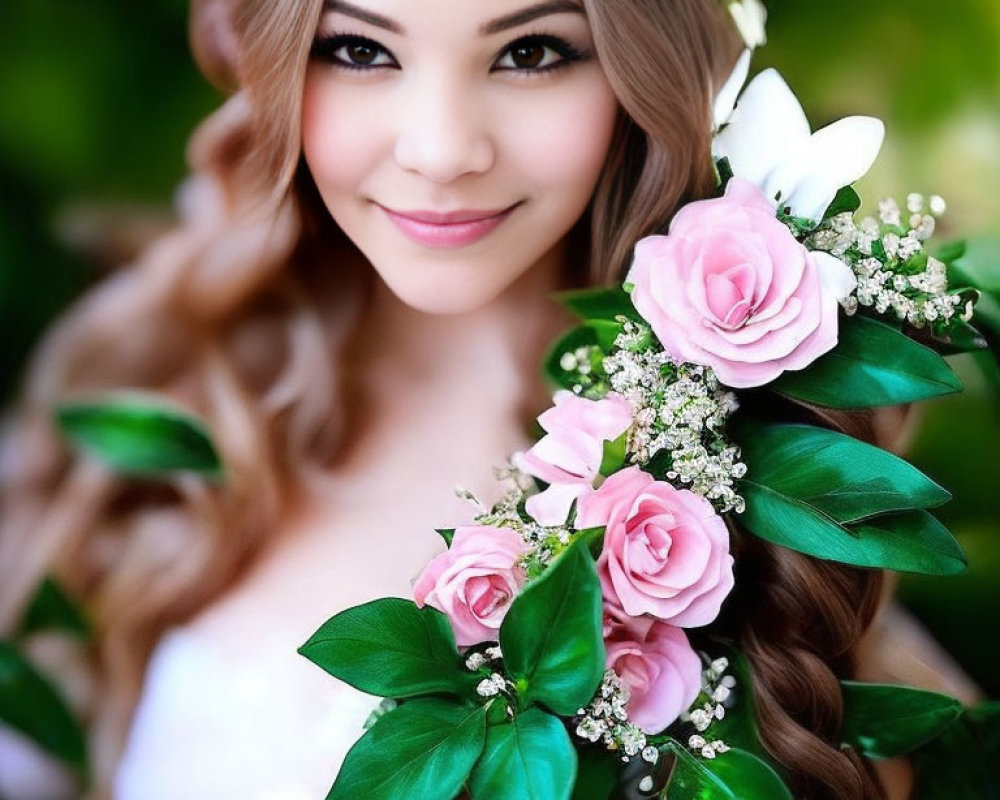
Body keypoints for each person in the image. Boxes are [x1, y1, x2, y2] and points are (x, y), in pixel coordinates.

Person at [0, 0, 983, 798]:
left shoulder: (741, 492)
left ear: (649, 70)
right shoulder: (161, 397)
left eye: (529, 51)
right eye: (357, 47)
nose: (439, 149)